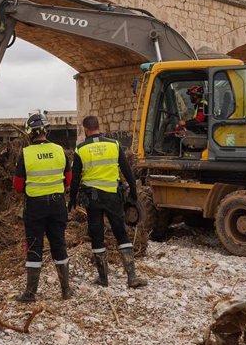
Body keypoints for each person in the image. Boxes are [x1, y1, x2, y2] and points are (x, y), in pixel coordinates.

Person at [69, 115, 147, 288]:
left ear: (85, 129)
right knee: (121, 232)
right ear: (98, 126)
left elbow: (75, 179)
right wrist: (133, 192)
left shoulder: (81, 149)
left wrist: (72, 199)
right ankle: (132, 276)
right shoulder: (114, 145)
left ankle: (103, 278)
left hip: (93, 199)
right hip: (113, 196)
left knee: (97, 235)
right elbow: (127, 171)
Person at [13, 113, 73, 302]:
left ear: (30, 133)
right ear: (46, 130)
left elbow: (17, 185)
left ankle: (30, 293)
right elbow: (69, 180)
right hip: (57, 204)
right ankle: (66, 290)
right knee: (59, 245)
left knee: (34, 247)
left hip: (35, 207)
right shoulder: (60, 150)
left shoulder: (26, 153)